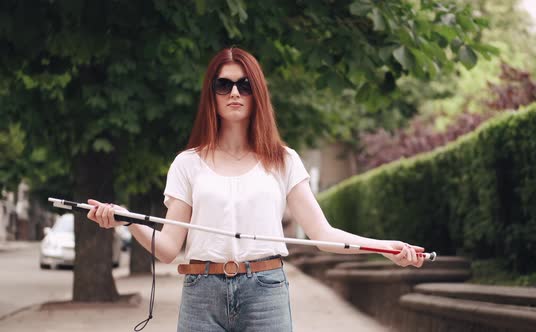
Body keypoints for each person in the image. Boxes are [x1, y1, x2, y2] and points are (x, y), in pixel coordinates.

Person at [86, 47, 425, 332]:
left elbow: (322, 234)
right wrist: (128, 221)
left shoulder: (284, 160)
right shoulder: (187, 163)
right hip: (201, 292)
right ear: (212, 95)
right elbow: (168, 248)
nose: (234, 93)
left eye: (244, 85)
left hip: (266, 290)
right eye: (224, 85)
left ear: (257, 92)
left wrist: (383, 247)